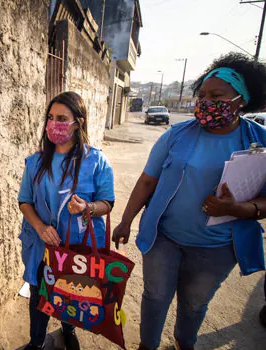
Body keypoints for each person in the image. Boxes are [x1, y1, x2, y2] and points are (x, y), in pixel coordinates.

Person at [112, 52, 266, 350]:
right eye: (203, 94)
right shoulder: (177, 135)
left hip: (218, 247)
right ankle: (148, 345)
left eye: (217, 95)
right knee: (155, 296)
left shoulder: (259, 142)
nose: (207, 101)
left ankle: (185, 343)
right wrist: (126, 220)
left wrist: (238, 209)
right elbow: (147, 181)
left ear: (241, 100)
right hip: (164, 238)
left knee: (194, 305)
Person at [18, 91, 115, 350]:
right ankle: (36, 341)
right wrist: (40, 227)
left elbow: (108, 202)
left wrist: (88, 207)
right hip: (42, 247)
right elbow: (24, 201)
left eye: (62, 118)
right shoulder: (36, 162)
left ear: (79, 122)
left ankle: (68, 330)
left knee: (72, 293)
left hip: (77, 249)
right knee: (39, 294)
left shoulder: (97, 161)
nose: (54, 123)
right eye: (50, 117)